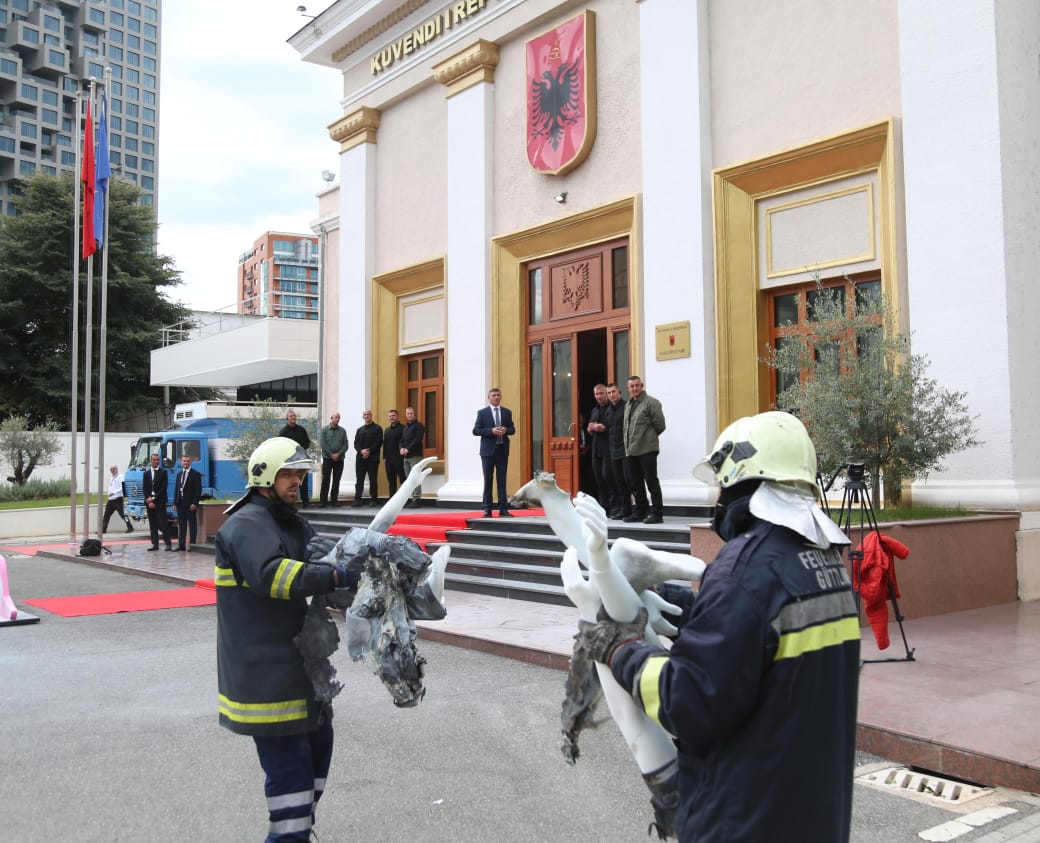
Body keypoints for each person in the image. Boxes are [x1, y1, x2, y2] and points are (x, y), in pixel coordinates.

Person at [580, 411, 860, 843]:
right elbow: (765, 644)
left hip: (744, 819)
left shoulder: (743, 571)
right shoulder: (825, 563)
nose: (719, 497)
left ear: (745, 480)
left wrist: (622, 648)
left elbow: (686, 698)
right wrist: (691, 608)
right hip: (813, 814)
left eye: (723, 485)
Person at [214, 437, 356, 842]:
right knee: (290, 780)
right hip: (267, 676)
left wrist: (350, 568)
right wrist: (332, 574)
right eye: (289, 474)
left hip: (299, 670)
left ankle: (299, 835)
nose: (297, 481)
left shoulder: (286, 520)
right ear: (264, 476)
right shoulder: (246, 525)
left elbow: (314, 562)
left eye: (300, 474)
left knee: (316, 756)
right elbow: (274, 577)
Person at [623, 375, 667, 524]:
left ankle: (657, 513)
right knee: (635, 483)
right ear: (628, 388)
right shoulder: (628, 405)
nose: (635, 388)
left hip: (647, 449)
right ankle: (640, 512)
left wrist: (648, 438)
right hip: (631, 450)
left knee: (651, 482)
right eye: (632, 386)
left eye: (637, 385)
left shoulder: (652, 403)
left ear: (641, 386)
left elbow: (660, 425)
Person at [472, 388, 515, 517]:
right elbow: (476, 430)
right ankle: (487, 508)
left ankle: (503, 508)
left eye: (498, 395)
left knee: (502, 480)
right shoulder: (482, 413)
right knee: (488, 480)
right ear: (489, 398)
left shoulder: (507, 412)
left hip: (502, 450)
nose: (496, 397)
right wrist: (491, 431)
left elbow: (513, 429)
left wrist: (506, 430)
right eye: (493, 395)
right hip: (487, 452)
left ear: (500, 397)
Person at [586, 384, 615, 513]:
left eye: (601, 393)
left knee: (608, 477)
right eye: (596, 394)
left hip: (608, 449)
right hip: (596, 449)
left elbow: (614, 428)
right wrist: (590, 428)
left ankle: (614, 507)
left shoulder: (612, 409)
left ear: (606, 394)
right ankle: (604, 507)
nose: (599, 396)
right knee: (599, 479)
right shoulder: (594, 410)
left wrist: (602, 428)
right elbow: (590, 428)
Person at [605, 383, 632, 520]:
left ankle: (637, 509)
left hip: (626, 450)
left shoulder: (627, 407)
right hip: (613, 451)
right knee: (619, 482)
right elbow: (609, 430)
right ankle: (624, 509)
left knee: (629, 480)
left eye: (613, 392)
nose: (611, 395)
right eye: (608, 393)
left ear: (619, 392)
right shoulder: (608, 410)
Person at [278, 409, 312, 507]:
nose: (293, 417)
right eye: (291, 416)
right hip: (290, 461)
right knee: (290, 481)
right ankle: (291, 503)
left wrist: (301, 450)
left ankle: (306, 502)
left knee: (303, 480)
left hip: (301, 459)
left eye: (294, 416)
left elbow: (307, 442)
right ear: (287, 418)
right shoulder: (283, 432)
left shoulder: (301, 429)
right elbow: (281, 445)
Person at [352, 409, 383, 507]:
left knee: (373, 480)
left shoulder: (378, 428)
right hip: (360, 459)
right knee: (359, 480)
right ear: (363, 417)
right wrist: (361, 451)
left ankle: (374, 499)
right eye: (365, 415)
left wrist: (368, 451)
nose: (366, 416)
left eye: (368, 414)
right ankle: (357, 500)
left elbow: (378, 443)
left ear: (371, 416)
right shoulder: (359, 430)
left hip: (372, 459)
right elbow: (355, 443)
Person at [142, 452, 172, 551]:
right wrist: (148, 500)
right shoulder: (146, 473)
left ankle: (168, 543)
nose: (156, 461)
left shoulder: (163, 472)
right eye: (154, 460)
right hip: (149, 502)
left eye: (157, 460)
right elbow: (145, 488)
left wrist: (154, 499)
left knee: (163, 523)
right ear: (151, 460)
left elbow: (163, 488)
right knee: (152, 523)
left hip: (159, 501)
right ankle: (155, 543)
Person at [173, 454, 202, 552]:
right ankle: (181, 545)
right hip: (180, 503)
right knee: (182, 525)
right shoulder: (179, 474)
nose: (185, 463)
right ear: (181, 462)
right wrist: (175, 502)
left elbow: (198, 490)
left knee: (192, 525)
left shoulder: (195, 474)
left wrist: (195, 503)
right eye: (184, 461)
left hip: (190, 504)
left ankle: (192, 545)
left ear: (190, 462)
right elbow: (177, 489)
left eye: (187, 461)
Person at [318, 412, 348, 508]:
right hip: (327, 458)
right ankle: (323, 501)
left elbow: (345, 444)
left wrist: (338, 454)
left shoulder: (342, 431)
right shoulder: (325, 430)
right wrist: (331, 454)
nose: (337, 419)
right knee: (326, 479)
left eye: (339, 417)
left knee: (336, 480)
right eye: (336, 417)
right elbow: (323, 443)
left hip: (339, 459)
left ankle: (334, 501)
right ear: (331, 418)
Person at [399, 407, 426, 508]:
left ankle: (417, 499)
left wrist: (408, 449)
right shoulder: (405, 428)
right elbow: (401, 440)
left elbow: (417, 440)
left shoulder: (419, 426)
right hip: (406, 457)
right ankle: (412, 498)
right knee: (409, 479)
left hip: (415, 456)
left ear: (414, 414)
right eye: (408, 414)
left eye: (411, 413)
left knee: (415, 478)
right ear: (406, 415)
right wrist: (401, 449)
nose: (409, 415)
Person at [102, 464, 133, 533]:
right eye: (111, 470)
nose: (112, 471)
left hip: (117, 499)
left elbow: (122, 487)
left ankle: (130, 527)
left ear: (117, 469)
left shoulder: (121, 477)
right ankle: (103, 529)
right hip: (111, 500)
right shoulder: (112, 478)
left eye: (113, 469)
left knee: (123, 515)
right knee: (106, 515)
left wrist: (114, 492)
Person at [382, 409, 406, 498]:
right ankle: (392, 499)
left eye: (393, 415)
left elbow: (404, 442)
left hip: (400, 459)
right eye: (390, 416)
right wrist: (384, 457)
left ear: (397, 416)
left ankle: (404, 499)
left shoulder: (403, 428)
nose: (391, 417)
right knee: (391, 481)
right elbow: (385, 444)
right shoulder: (387, 430)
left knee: (403, 480)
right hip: (389, 460)